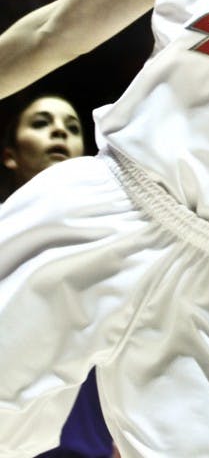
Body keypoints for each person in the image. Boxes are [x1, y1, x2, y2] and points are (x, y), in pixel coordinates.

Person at [0, 90, 116, 458]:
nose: (59, 133)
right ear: (9, 155)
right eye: (40, 123)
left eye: (71, 127)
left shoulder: (116, 233)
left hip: (87, 438)